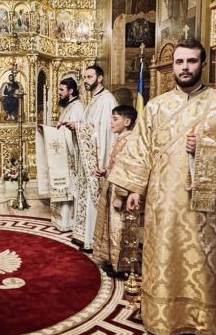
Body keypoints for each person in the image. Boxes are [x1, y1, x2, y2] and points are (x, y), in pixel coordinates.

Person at [109, 39, 216, 335]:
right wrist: (134, 189)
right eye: (179, 62)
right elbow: (141, 150)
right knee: (162, 259)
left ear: (203, 64)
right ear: (172, 66)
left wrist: (207, 146)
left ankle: (201, 323)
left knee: (201, 261)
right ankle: (162, 319)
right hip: (162, 203)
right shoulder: (156, 106)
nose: (185, 67)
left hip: (202, 204)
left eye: (191, 61)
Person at [68, 64, 118, 252]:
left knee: (93, 196)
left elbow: (103, 131)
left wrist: (78, 127)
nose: (86, 81)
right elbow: (89, 125)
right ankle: (83, 235)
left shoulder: (107, 100)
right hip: (87, 155)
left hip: (98, 156)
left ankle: (93, 239)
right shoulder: (93, 100)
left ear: (100, 78)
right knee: (85, 195)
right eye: (84, 78)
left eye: (89, 77)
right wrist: (77, 126)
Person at [92, 104, 138, 279]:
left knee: (119, 227)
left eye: (115, 119)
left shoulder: (129, 141)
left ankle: (121, 265)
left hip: (121, 192)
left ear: (127, 122)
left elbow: (127, 171)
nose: (111, 122)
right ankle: (111, 259)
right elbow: (115, 166)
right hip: (111, 187)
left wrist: (120, 195)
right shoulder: (120, 139)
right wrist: (105, 171)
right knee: (110, 226)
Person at [35, 77, 84, 232]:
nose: (59, 93)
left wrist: (58, 130)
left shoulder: (77, 107)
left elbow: (76, 132)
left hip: (71, 155)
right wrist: (48, 130)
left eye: (61, 90)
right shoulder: (69, 106)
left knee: (69, 187)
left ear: (71, 91)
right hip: (63, 155)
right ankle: (62, 220)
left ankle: (69, 221)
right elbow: (63, 130)